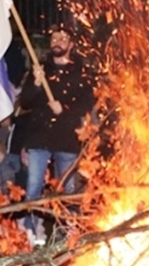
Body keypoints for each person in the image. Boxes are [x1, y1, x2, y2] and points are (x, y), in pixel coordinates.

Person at [17, 26, 96, 244]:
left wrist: (65, 111)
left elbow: (87, 105)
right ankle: (31, 232)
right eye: (54, 38)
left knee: (67, 189)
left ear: (71, 44)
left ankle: (68, 231)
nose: (57, 42)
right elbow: (25, 102)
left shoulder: (80, 72)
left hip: (66, 139)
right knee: (33, 187)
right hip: (39, 137)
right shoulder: (40, 69)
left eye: (63, 38)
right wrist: (35, 84)